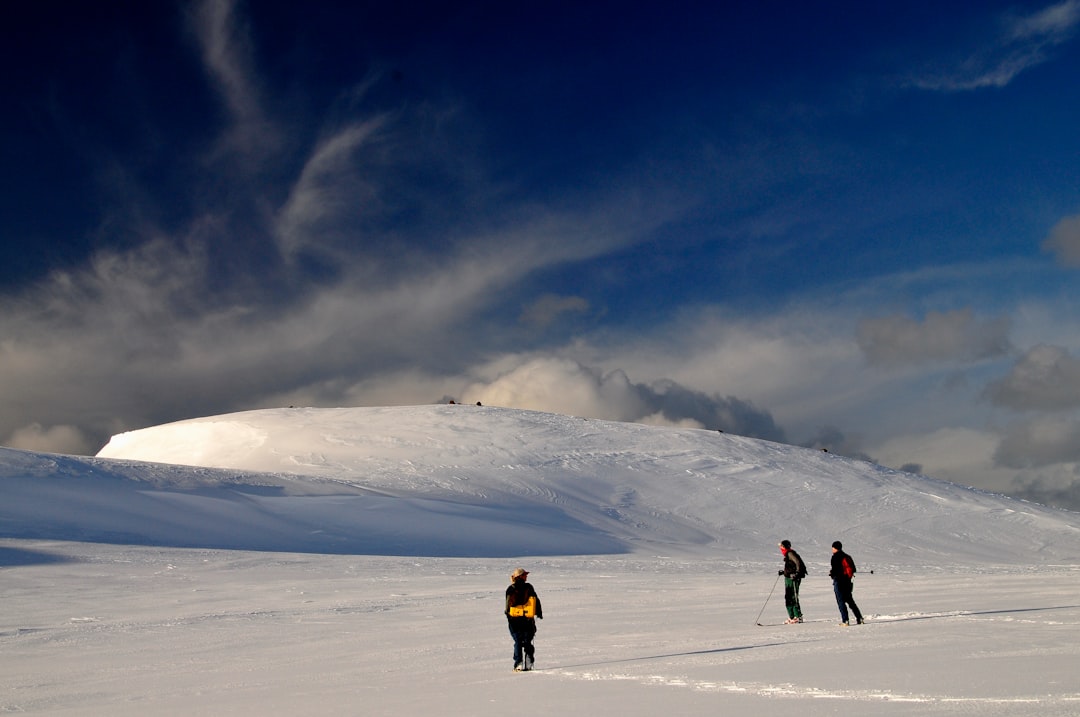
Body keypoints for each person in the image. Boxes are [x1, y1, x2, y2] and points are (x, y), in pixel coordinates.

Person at [505, 567, 543, 671]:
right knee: (527, 641)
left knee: (518, 641)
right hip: (527, 620)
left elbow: (508, 607)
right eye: (525, 575)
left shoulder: (511, 589)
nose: (526, 576)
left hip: (514, 621)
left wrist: (509, 617)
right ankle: (529, 661)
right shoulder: (529, 587)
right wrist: (539, 614)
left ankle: (518, 663)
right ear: (520, 576)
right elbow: (536, 601)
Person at [829, 541, 864, 626]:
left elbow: (836, 570)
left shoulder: (835, 557)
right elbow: (853, 569)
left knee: (841, 601)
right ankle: (859, 618)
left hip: (839, 581)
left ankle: (845, 620)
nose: (831, 549)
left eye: (832, 547)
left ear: (835, 548)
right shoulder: (847, 556)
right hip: (847, 581)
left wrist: (832, 573)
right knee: (850, 601)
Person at [778, 539, 806, 623]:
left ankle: (798, 616)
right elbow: (791, 566)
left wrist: (796, 574)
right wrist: (784, 572)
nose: (781, 548)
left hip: (793, 579)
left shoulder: (790, 553)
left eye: (782, 546)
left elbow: (798, 563)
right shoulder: (787, 554)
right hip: (788, 578)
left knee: (793, 597)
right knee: (788, 597)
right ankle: (792, 616)